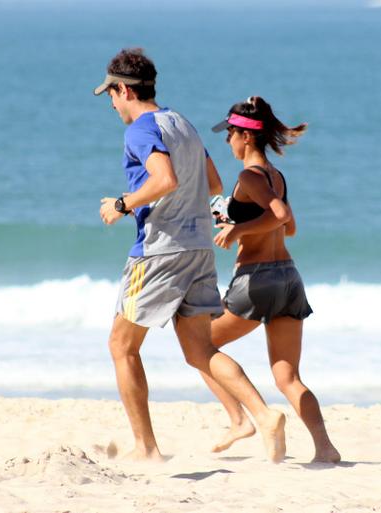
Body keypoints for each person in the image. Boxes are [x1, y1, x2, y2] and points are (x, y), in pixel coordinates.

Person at [93, 49, 286, 462]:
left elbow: (165, 178)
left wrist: (123, 204)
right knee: (200, 351)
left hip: (159, 252)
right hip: (198, 250)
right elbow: (213, 180)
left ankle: (145, 448)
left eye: (111, 94)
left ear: (124, 89)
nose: (111, 103)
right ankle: (264, 415)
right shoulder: (182, 123)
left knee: (121, 346)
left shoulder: (140, 130)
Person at [202, 96, 342, 463]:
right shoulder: (275, 177)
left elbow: (279, 216)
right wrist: (240, 224)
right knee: (288, 378)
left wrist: (238, 232)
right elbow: (290, 226)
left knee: (199, 346)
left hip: (257, 279)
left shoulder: (249, 176)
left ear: (245, 137)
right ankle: (325, 448)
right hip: (289, 279)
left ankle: (245, 420)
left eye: (229, 134)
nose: (227, 141)